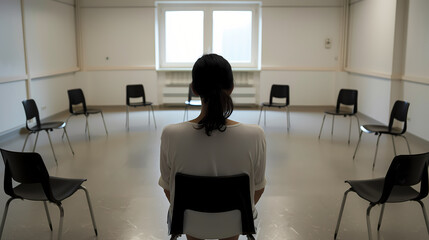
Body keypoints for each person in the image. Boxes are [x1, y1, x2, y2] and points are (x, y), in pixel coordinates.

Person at [158, 54, 266, 240]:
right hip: (236, 220)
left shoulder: (170, 135)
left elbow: (169, 188)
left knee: (194, 222)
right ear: (231, 88)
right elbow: (257, 188)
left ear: (194, 89)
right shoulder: (255, 135)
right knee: (230, 222)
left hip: (188, 220)